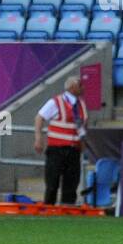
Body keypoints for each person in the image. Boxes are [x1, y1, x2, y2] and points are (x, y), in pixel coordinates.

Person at [33, 76, 86, 205]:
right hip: (57, 149)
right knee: (52, 183)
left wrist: (83, 144)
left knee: (71, 184)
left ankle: (67, 211)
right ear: (72, 88)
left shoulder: (81, 105)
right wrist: (38, 138)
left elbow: (82, 127)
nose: (83, 88)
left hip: (74, 149)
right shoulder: (56, 102)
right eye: (80, 85)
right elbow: (39, 117)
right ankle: (49, 209)